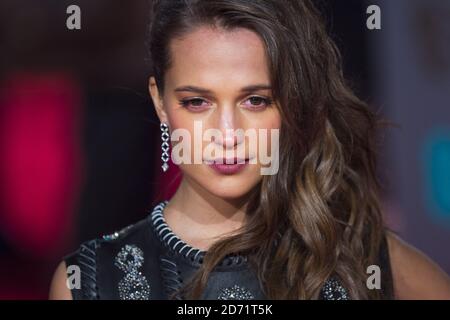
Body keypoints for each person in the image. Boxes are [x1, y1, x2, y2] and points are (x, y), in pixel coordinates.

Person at [49, 0, 450, 300]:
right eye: (197, 102)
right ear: (160, 102)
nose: (228, 133)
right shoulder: (90, 281)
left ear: (291, 103)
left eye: (255, 100)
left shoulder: (364, 260)